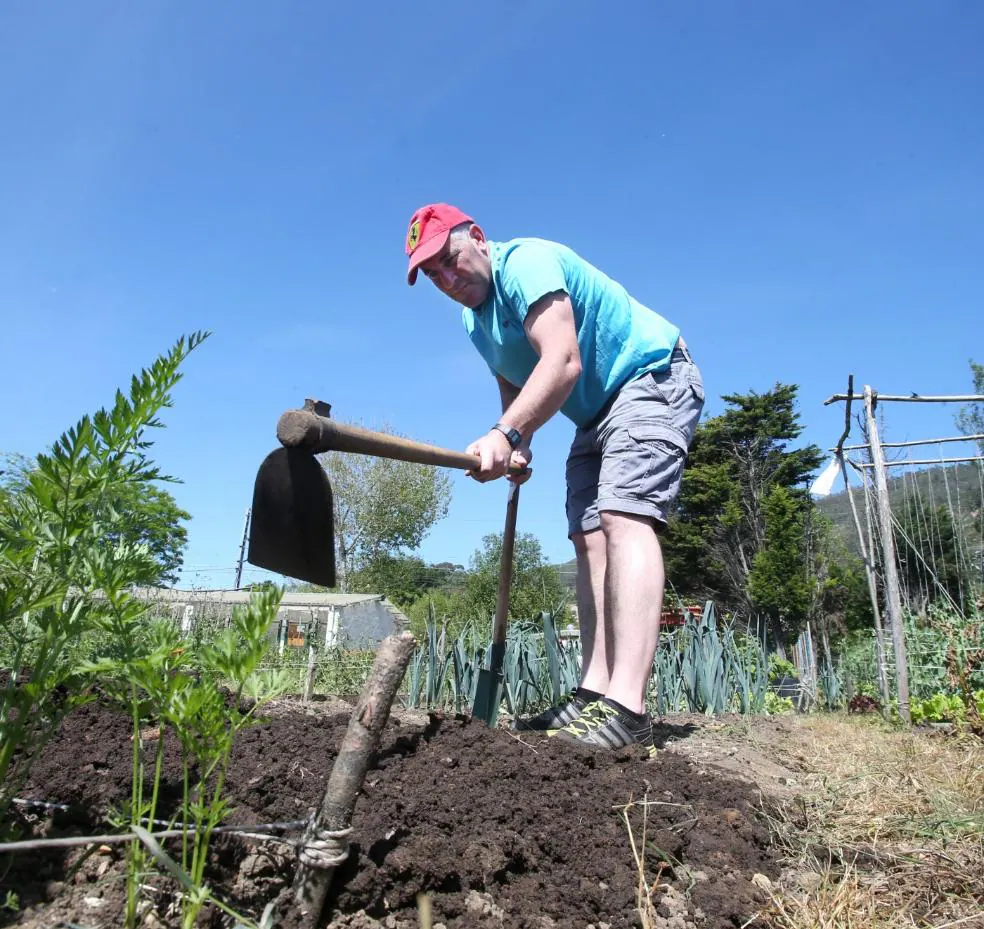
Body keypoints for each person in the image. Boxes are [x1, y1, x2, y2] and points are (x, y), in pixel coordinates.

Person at [404, 203, 704, 751]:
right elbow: (513, 388)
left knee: (623, 516)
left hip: (649, 379)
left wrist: (506, 434)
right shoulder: (474, 318)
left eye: (450, 260)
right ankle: (594, 694)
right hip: (591, 413)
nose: (447, 279)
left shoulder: (527, 264)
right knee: (588, 539)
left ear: (477, 236)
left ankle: (628, 708)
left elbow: (562, 361)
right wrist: (518, 441)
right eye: (433, 274)